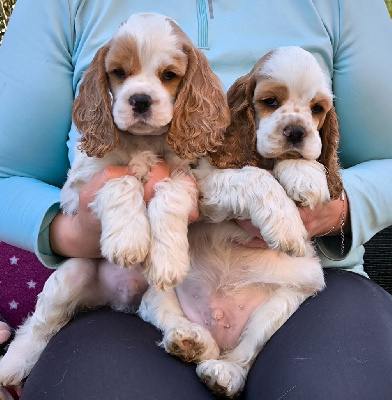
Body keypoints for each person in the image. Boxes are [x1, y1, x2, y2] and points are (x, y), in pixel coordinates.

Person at [0, 0, 391, 398]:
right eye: (121, 73)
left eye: (168, 75)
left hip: (300, 283)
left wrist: (334, 207)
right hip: (138, 290)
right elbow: (6, 175)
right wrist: (72, 232)